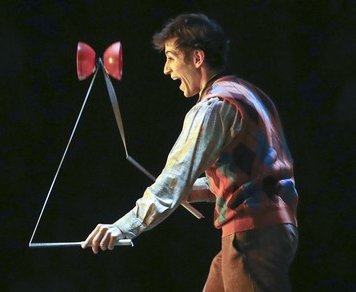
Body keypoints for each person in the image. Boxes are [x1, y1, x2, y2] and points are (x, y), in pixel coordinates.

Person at [82, 13, 298, 291]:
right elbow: (252, 174)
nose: (166, 70)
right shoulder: (247, 93)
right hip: (270, 231)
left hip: (252, 236)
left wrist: (122, 227)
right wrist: (194, 189)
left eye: (171, 58)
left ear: (197, 58)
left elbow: (172, 181)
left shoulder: (214, 107)